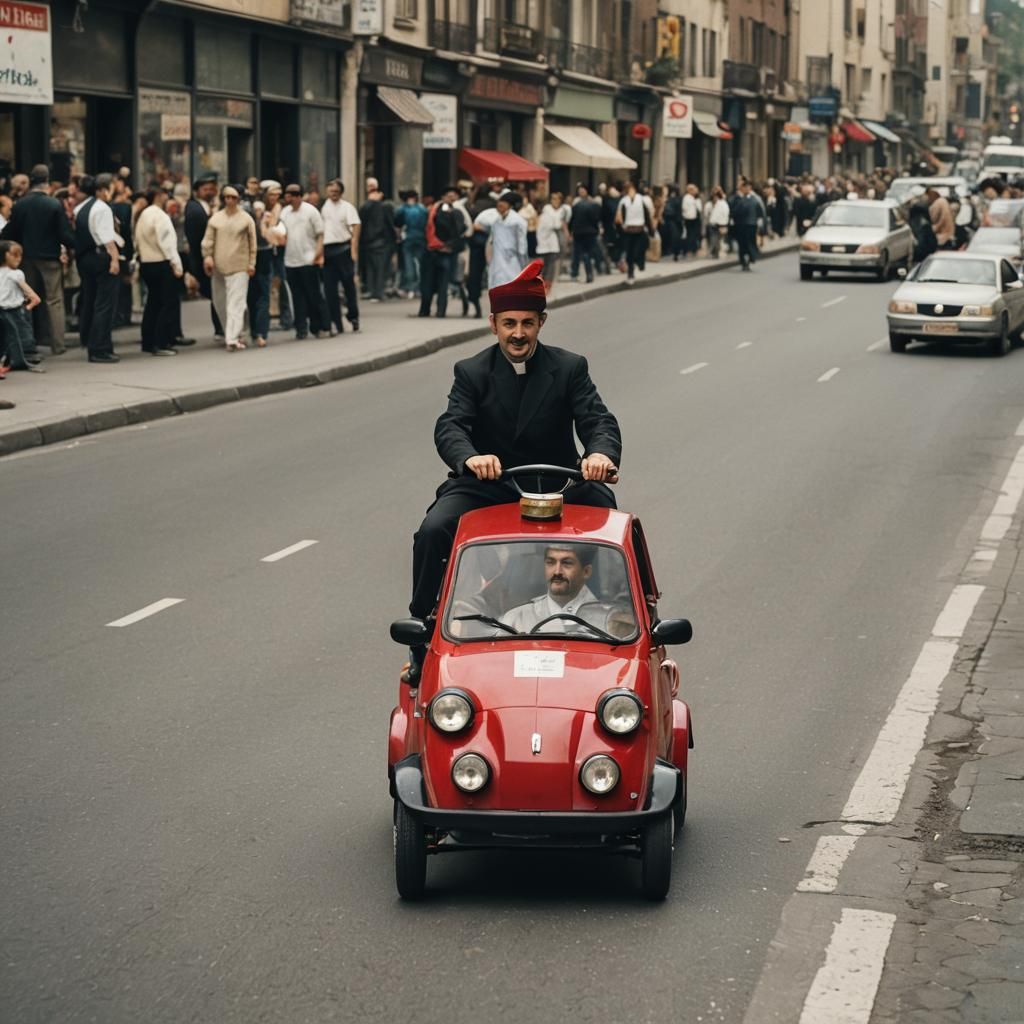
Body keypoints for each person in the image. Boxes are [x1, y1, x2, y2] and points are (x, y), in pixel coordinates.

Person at [405, 258, 621, 680]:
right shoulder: (471, 371)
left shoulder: (570, 367)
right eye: (508, 324)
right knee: (433, 530)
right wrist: (470, 458)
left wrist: (600, 455)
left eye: (526, 323)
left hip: (558, 481)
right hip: (492, 483)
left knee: (606, 514)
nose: (517, 334)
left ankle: (621, 621)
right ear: (493, 324)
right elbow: (451, 425)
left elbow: (598, 420)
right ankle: (422, 634)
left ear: (541, 323)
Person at [1, 164, 75, 355]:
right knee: (54, 301)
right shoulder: (53, 204)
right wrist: (75, 245)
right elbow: (64, 234)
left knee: (26, 300)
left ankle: (28, 343)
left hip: (26, 258)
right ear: (47, 182)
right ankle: (58, 344)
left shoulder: (20, 205)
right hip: (50, 258)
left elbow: (12, 232)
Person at [500, 543, 607, 634]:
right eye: (550, 562)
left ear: (586, 572)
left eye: (567, 563)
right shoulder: (516, 618)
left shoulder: (607, 621)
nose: (557, 572)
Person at [201, 185, 257, 351]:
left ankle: (232, 338)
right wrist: (208, 257)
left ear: (238, 199)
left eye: (233, 198)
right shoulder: (216, 219)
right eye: (227, 197)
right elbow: (208, 240)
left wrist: (252, 263)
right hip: (219, 266)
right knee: (220, 302)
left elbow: (252, 243)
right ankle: (233, 333)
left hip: (240, 265)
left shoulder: (246, 219)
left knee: (236, 303)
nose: (230, 201)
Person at [75, 173, 122, 363]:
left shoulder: (81, 207)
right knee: (105, 304)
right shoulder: (103, 209)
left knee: (90, 300)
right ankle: (100, 348)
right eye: (111, 187)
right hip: (101, 257)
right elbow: (106, 237)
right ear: (103, 189)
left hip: (85, 258)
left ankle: (88, 339)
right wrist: (115, 259)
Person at [133, 187, 183, 356]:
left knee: (152, 303)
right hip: (161, 261)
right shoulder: (160, 216)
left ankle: (148, 341)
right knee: (165, 303)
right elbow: (167, 242)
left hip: (146, 262)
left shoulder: (143, 215)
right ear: (159, 196)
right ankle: (161, 342)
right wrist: (176, 264)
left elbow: (137, 241)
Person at [276, 183, 329, 339]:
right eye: (286, 195)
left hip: (308, 259)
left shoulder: (311, 211)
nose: (288, 198)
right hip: (290, 260)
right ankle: (301, 329)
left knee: (313, 295)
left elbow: (320, 234)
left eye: (291, 196)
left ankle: (319, 326)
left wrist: (318, 254)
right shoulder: (285, 213)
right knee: (297, 296)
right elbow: (281, 234)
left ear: (298, 196)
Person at [185, 173, 224, 342]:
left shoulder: (209, 208)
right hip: (204, 260)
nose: (209, 192)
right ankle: (221, 328)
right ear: (197, 192)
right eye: (205, 189)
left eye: (212, 189)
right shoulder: (195, 210)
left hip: (211, 259)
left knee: (217, 294)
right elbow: (196, 240)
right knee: (217, 294)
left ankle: (220, 328)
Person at [321, 178, 361, 333]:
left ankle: (353, 316)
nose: (333, 194)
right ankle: (335, 321)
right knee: (329, 288)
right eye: (331, 191)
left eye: (336, 191)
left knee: (348, 285)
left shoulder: (347, 207)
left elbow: (356, 225)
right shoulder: (322, 207)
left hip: (343, 248)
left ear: (341, 192)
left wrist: (353, 248)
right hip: (327, 249)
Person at [418, 186, 465, 319]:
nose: (451, 198)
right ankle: (426, 309)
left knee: (441, 285)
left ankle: (439, 311)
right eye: (449, 196)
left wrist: (449, 246)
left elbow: (459, 231)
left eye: (453, 196)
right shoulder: (431, 212)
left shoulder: (455, 212)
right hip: (431, 251)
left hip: (444, 252)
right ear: (443, 197)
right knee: (428, 283)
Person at [0, 240, 44, 372]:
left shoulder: (14, 274)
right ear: (5, 255)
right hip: (14, 311)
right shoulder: (16, 274)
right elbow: (34, 297)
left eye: (20, 255)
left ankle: (10, 362)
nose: (18, 258)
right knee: (17, 337)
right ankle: (17, 360)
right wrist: (27, 308)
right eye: (14, 254)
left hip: (7, 310)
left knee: (7, 339)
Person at [261, 181, 294, 331]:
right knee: (266, 286)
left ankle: (286, 318)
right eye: (271, 194)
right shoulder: (261, 209)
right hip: (265, 251)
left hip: (279, 252)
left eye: (277, 195)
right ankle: (265, 320)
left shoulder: (281, 210)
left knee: (282, 284)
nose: (274, 197)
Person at [358, 187, 396, 302]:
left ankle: (374, 291)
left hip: (370, 242)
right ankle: (377, 291)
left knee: (373, 268)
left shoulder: (366, 207)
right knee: (379, 268)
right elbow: (390, 225)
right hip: (380, 242)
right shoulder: (384, 207)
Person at [615, 181, 654, 284]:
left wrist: (651, 230)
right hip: (628, 230)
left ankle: (639, 263)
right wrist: (620, 230)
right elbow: (619, 217)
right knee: (629, 253)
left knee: (638, 250)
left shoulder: (641, 199)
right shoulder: (623, 201)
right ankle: (630, 273)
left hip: (639, 228)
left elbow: (647, 215)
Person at [488, 191, 528, 288]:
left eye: (503, 202)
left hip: (512, 262)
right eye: (499, 202)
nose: (499, 205)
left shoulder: (518, 221)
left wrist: (524, 265)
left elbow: (522, 246)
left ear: (510, 205)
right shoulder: (496, 221)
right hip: (497, 264)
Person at [394, 189, 426, 300]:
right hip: (421, 238)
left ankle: (409, 287)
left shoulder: (402, 210)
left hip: (408, 238)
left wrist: (398, 237)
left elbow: (397, 225)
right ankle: (419, 288)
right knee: (421, 264)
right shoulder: (422, 209)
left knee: (408, 263)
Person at [536, 192, 570, 294]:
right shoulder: (547, 211)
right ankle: (543, 284)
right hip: (545, 241)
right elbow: (556, 224)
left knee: (551, 264)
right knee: (546, 265)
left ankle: (547, 285)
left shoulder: (562, 210)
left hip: (553, 241)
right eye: (553, 199)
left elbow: (562, 223)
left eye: (558, 199)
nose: (556, 201)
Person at [569, 184, 602, 283]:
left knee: (579, 253)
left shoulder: (576, 205)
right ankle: (590, 273)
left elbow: (572, 220)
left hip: (579, 232)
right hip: (590, 232)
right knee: (588, 252)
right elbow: (596, 219)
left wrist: (571, 230)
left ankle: (576, 272)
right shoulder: (593, 205)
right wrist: (597, 229)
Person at [729, 179, 761, 272]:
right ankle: (743, 261)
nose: (746, 189)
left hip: (751, 225)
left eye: (748, 187)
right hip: (741, 225)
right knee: (742, 244)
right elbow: (734, 211)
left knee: (750, 243)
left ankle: (750, 258)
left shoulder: (754, 199)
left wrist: (760, 224)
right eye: (744, 187)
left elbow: (759, 212)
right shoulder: (738, 198)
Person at [705, 186, 730, 258]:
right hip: (712, 223)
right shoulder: (709, 204)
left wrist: (724, 224)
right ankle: (713, 252)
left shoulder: (722, 203)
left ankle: (716, 252)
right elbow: (706, 213)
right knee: (713, 238)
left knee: (719, 239)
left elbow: (725, 213)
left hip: (721, 224)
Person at [681, 184, 701, 258]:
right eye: (692, 190)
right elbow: (684, 208)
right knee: (689, 234)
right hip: (688, 218)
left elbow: (699, 208)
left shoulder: (694, 198)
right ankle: (688, 250)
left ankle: (693, 249)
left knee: (693, 234)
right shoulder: (686, 198)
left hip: (694, 218)